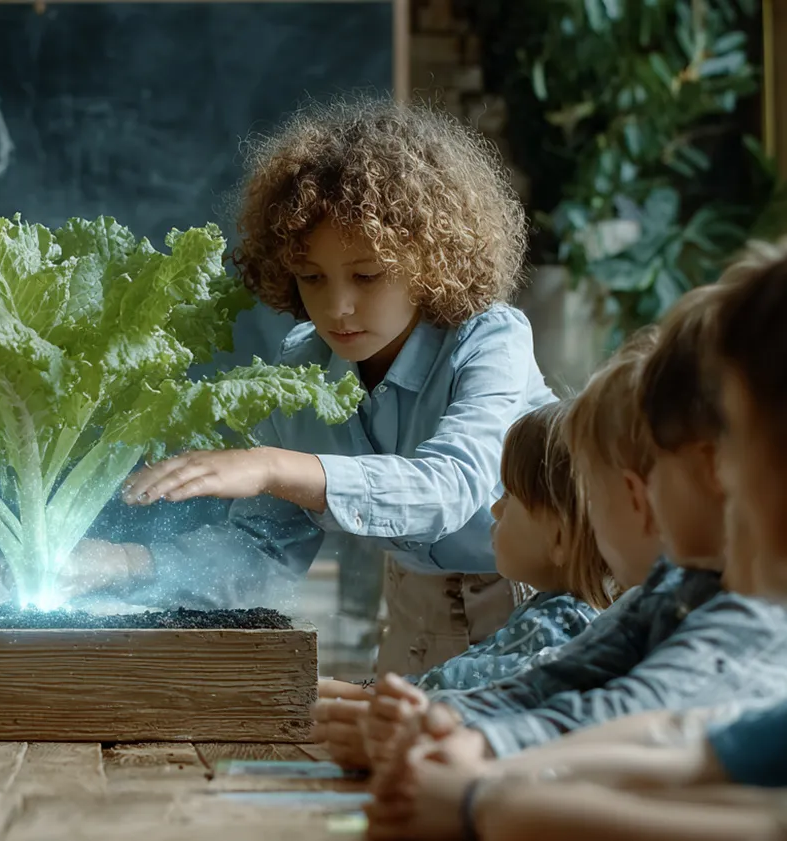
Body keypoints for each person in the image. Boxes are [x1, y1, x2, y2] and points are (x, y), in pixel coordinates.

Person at [58, 95, 555, 676]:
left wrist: (273, 466)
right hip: (418, 620)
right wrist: (127, 563)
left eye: (368, 276)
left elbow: (449, 488)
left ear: (429, 262)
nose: (337, 308)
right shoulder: (302, 365)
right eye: (311, 278)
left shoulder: (490, 339)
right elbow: (266, 550)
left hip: (544, 609)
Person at [359, 239, 787, 841]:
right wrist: (468, 742)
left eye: (735, 443)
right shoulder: (673, 590)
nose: (726, 477)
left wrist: (486, 799)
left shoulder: (749, 620)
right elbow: (685, 743)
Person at [313, 401, 618, 765]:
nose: (495, 509)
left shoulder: (562, 624)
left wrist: (360, 697)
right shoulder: (557, 613)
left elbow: (461, 686)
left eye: (509, 496)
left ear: (560, 536)